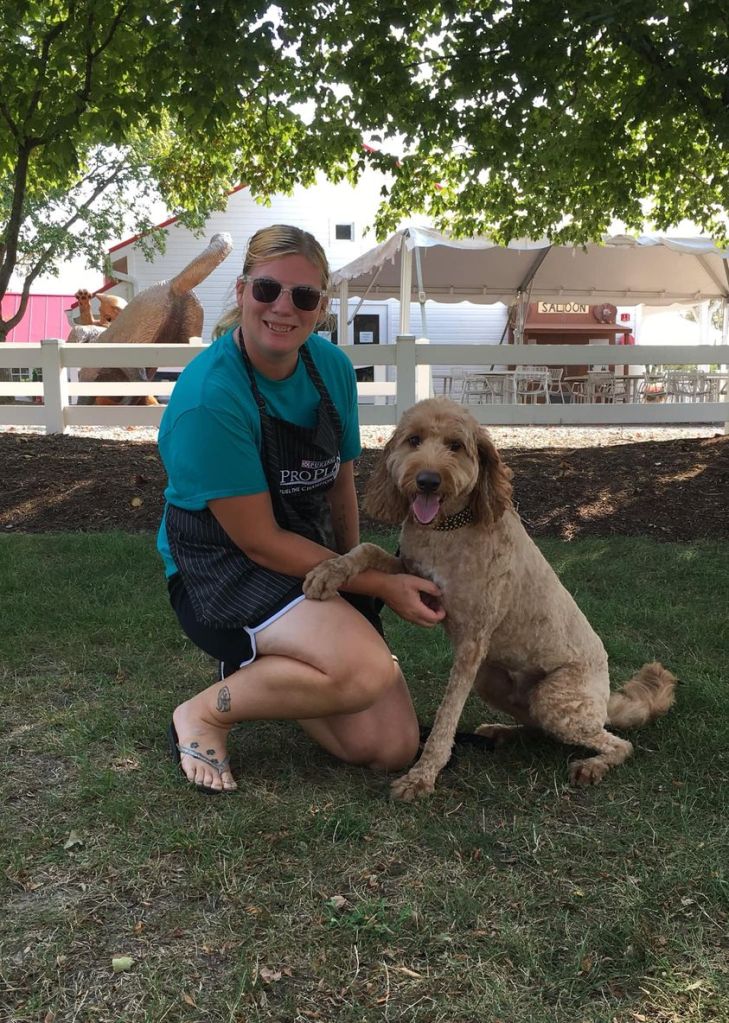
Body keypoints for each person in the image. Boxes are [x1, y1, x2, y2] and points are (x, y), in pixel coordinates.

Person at [157, 224, 445, 794]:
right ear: (242, 291)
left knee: (389, 747)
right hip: (223, 568)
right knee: (363, 669)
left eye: (304, 296)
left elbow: (340, 484)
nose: (284, 308)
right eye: (267, 289)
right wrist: (379, 585)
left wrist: (355, 578)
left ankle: (269, 666)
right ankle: (205, 712)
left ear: (321, 307)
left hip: (305, 553)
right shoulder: (210, 397)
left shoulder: (330, 367)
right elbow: (259, 542)